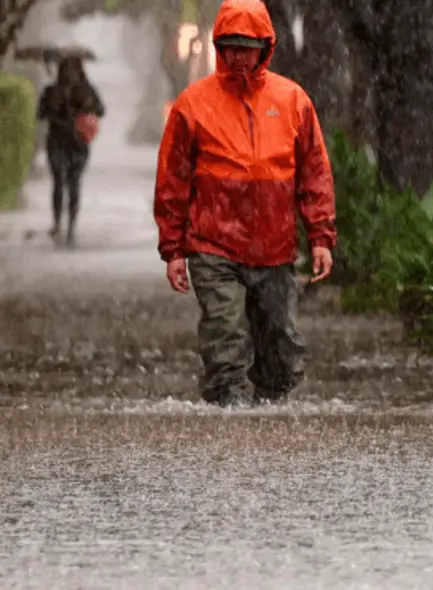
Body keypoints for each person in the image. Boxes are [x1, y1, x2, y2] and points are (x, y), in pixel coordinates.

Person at [153, 0, 336, 408]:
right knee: (225, 339)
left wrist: (321, 236)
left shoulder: (293, 101)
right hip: (212, 245)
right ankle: (229, 416)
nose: (238, 56)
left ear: (265, 47)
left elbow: (314, 172)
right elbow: (173, 180)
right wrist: (174, 251)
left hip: (274, 248)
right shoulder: (193, 104)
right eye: (231, 47)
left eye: (247, 47)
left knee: (281, 348)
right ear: (218, 46)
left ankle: (268, 411)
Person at [37, 55, 105, 246]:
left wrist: (85, 106)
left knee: (72, 184)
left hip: (77, 143)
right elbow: (41, 113)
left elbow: (100, 110)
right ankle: (59, 224)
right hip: (58, 141)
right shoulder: (52, 91)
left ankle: (70, 226)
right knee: (60, 182)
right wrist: (54, 105)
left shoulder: (86, 91)